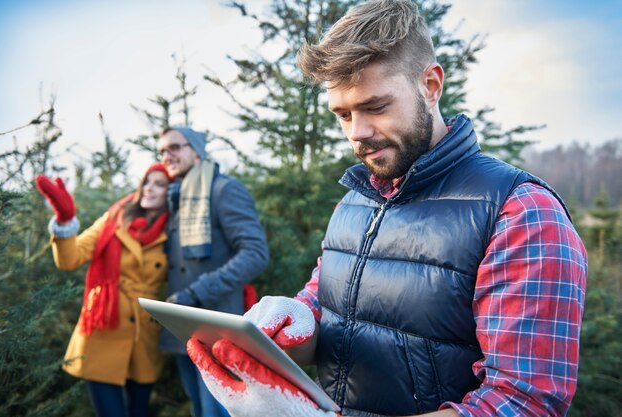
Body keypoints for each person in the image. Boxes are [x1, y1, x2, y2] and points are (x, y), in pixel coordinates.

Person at [184, 1, 588, 416]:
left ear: (431, 86)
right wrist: (293, 322)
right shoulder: (355, 200)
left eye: (375, 107)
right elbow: (328, 315)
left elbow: (523, 402)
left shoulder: (520, 213)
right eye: (343, 114)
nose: (357, 133)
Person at [35, 163, 173, 417]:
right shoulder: (113, 220)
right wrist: (65, 221)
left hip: (146, 337)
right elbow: (69, 259)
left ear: (172, 192)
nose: (150, 188)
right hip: (103, 330)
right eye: (147, 182)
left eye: (160, 184)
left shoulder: (174, 230)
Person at [156, 126, 269, 417]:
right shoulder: (177, 198)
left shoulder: (223, 189)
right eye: (161, 151)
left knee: (217, 412)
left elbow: (255, 254)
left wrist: (196, 292)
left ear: (195, 150)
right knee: (199, 409)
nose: (166, 155)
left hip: (216, 329)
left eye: (174, 148)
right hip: (185, 328)